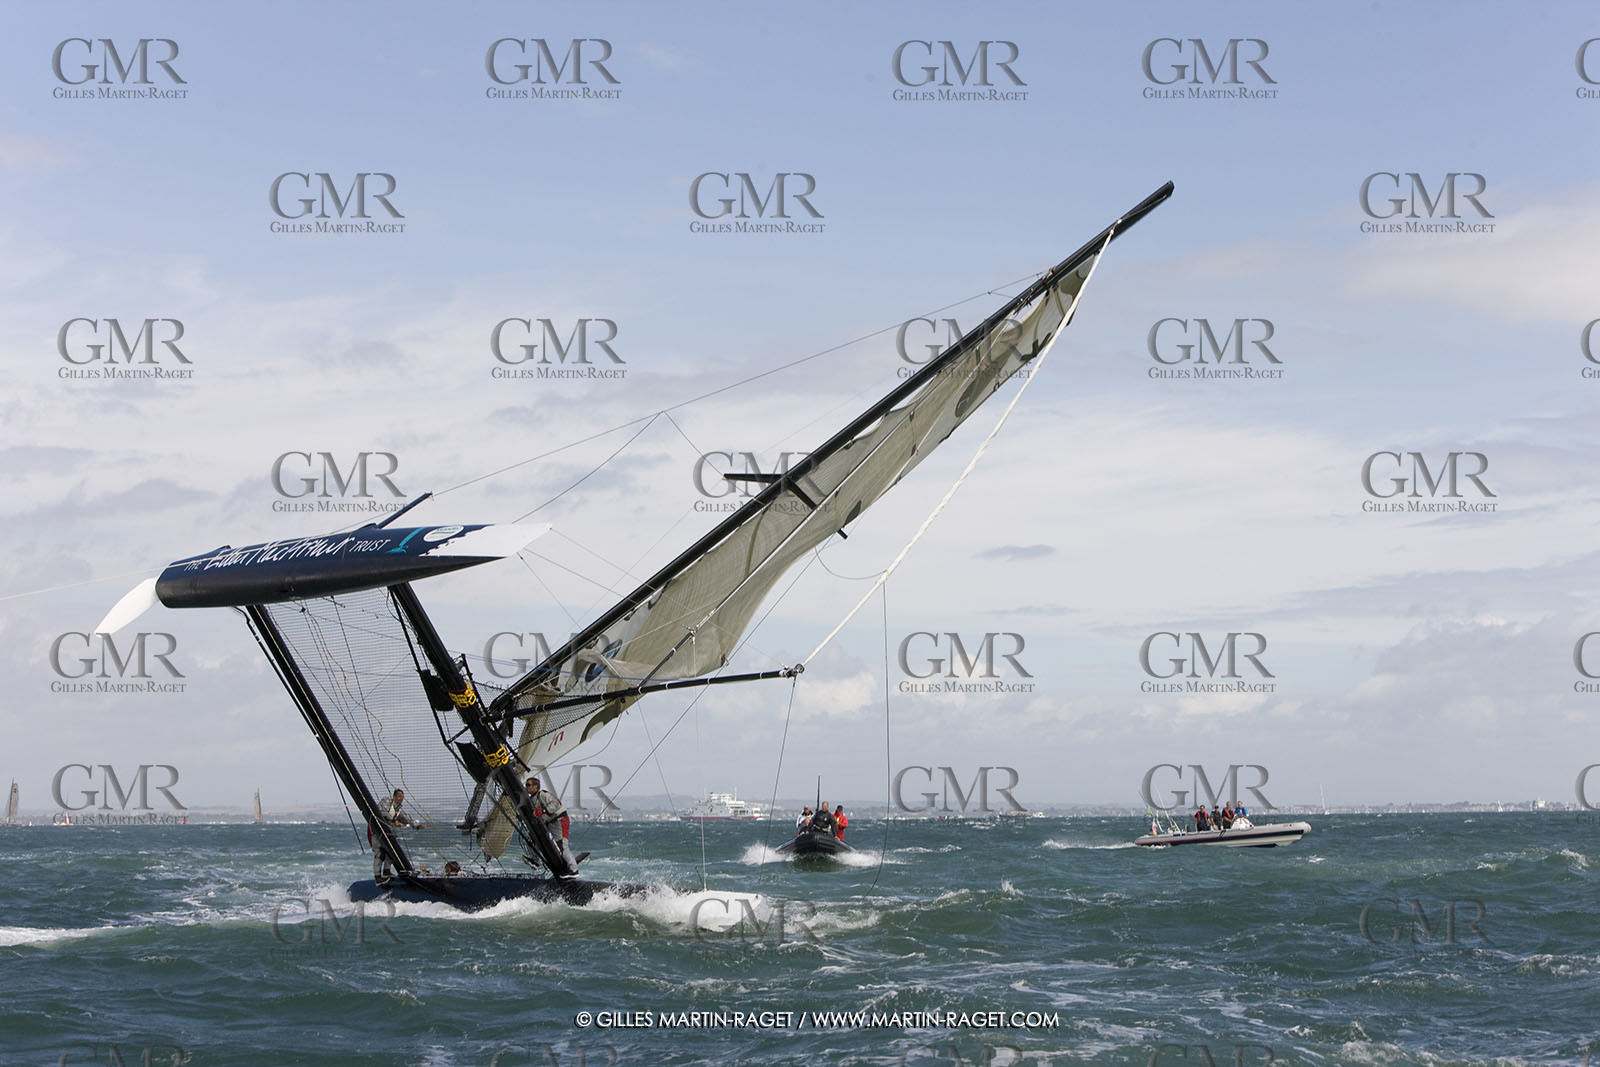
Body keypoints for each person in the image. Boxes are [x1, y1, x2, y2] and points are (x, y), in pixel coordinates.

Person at [525, 776, 578, 873]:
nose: (526, 787)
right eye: (525, 785)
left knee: (562, 846)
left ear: (536, 786)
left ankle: (574, 870)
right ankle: (535, 861)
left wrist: (543, 811)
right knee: (533, 838)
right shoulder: (531, 799)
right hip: (549, 823)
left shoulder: (543, 795)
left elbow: (556, 804)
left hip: (560, 820)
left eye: (528, 785)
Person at [371, 788, 424, 882]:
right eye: (399, 796)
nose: (401, 799)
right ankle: (377, 876)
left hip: (389, 832)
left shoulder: (399, 809)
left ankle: (386, 871)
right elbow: (382, 812)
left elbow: (406, 818)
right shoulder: (386, 801)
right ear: (394, 796)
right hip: (377, 831)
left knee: (392, 852)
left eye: (402, 797)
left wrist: (416, 826)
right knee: (380, 854)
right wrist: (393, 820)